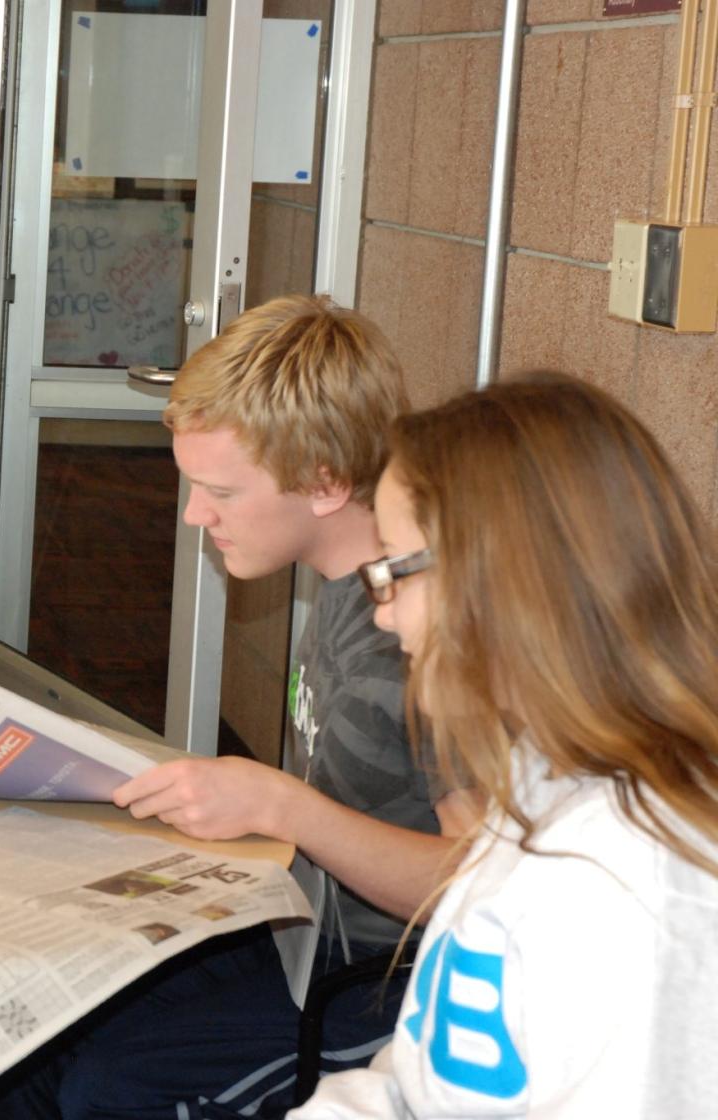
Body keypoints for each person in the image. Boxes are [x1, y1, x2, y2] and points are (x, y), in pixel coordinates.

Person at [0, 295, 475, 1119]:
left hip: (381, 992)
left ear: (326, 483)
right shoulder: (345, 593)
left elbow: (473, 886)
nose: (196, 516)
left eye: (221, 492)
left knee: (114, 1087)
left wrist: (280, 803)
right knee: (21, 1028)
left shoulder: (421, 640)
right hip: (303, 939)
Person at [294, 373, 718, 1116]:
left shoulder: (639, 884)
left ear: (503, 580)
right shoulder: (538, 781)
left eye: (393, 569)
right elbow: (421, 1077)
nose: (383, 616)